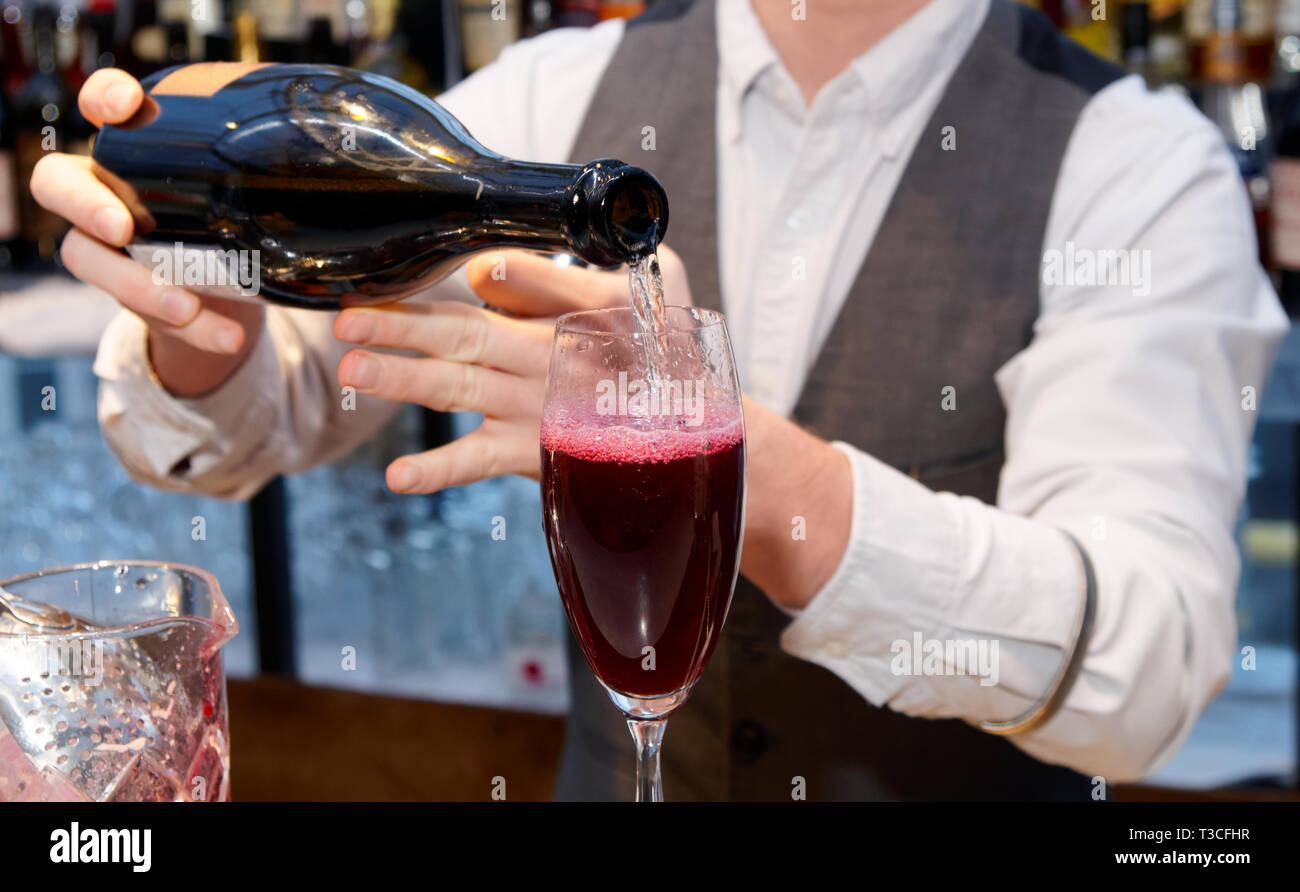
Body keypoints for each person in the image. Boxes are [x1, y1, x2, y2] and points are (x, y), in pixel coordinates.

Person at [31, 0, 1286, 800]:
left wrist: (746, 463)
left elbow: (1152, 669)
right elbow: (261, 413)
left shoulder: (1134, 159)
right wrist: (205, 323)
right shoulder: (549, 94)